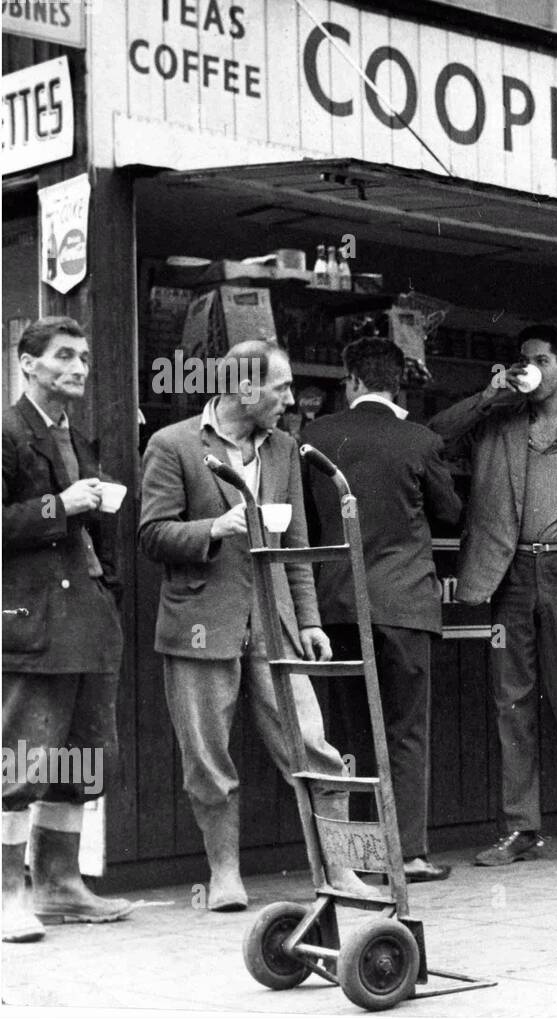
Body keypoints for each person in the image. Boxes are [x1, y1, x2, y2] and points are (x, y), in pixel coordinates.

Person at [139, 340, 367, 910]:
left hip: (275, 621)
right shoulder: (172, 445)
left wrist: (309, 620)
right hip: (200, 621)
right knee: (208, 758)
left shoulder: (286, 447)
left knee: (314, 747)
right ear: (244, 387)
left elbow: (296, 542)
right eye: (281, 387)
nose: (291, 399)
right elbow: (152, 534)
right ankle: (224, 876)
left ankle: (341, 870)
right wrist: (215, 528)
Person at [429, 325, 557, 866]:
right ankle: (521, 830)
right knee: (511, 701)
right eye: (522, 360)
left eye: (540, 359)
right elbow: (435, 436)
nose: (529, 367)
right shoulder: (495, 419)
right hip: (509, 573)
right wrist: (493, 393)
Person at [301, 338, 462, 882]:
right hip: (405, 606)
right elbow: (449, 511)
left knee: (349, 732)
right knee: (405, 730)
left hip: (338, 605)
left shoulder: (316, 435)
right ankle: (408, 853)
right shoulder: (421, 439)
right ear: (401, 383)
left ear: (351, 381)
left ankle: (357, 857)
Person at [3, 318, 135, 943]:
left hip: (87, 619)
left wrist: (107, 587)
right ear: (27, 363)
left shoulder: (78, 438)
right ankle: (7, 895)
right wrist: (62, 506)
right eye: (63, 356)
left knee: (83, 759)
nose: (78, 366)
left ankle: (58, 885)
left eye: (83, 356)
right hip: (31, 621)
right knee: (19, 760)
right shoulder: (5, 432)